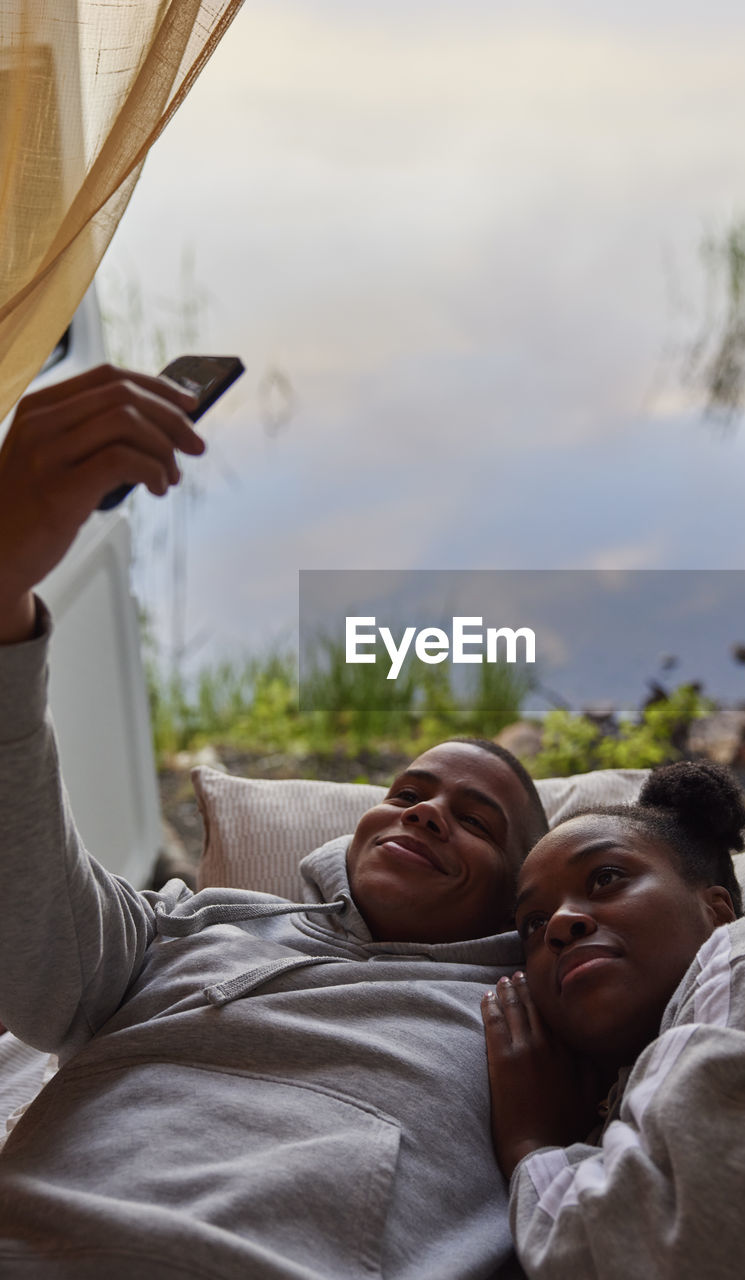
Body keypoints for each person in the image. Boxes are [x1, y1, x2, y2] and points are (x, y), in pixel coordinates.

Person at [0, 366, 553, 1278]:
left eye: (475, 819)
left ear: (517, 900)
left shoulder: (533, 1018)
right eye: (409, 794)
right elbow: (27, 898)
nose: (424, 818)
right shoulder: (186, 929)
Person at [481, 761, 745, 1279]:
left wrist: (531, 1147)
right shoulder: (603, 1124)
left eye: (606, 878)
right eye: (533, 924)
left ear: (718, 911)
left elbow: (676, 1256)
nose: (560, 925)